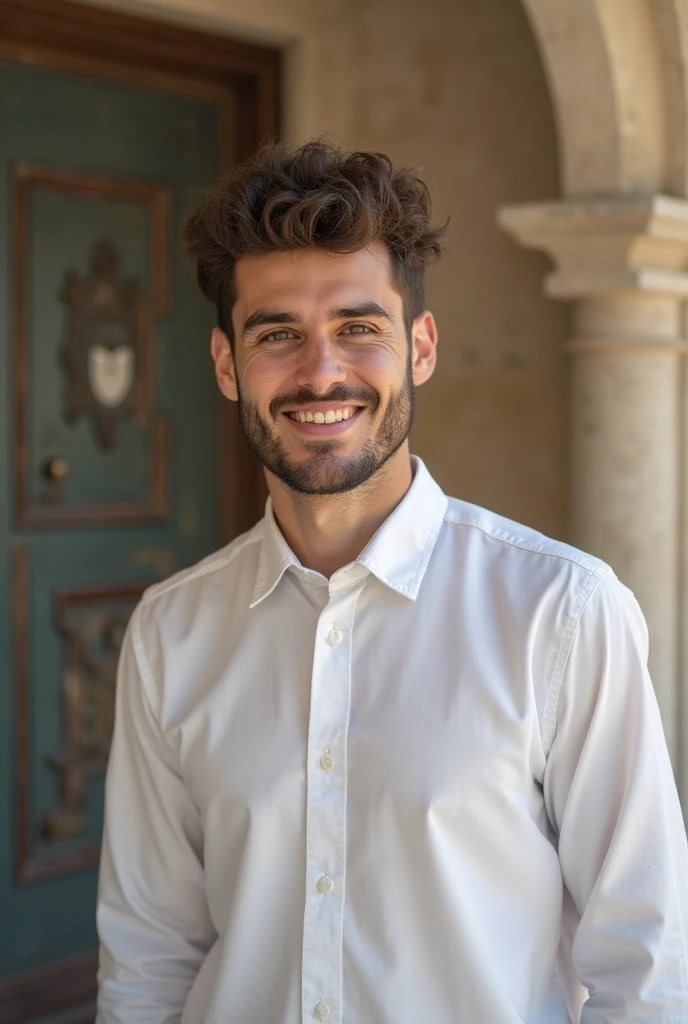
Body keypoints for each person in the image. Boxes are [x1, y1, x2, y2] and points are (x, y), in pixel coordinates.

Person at [96, 140, 688, 1024]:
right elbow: (149, 959)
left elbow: (647, 969)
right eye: (277, 334)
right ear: (227, 365)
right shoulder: (171, 631)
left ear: (421, 347)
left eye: (358, 328)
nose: (321, 372)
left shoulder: (561, 612)